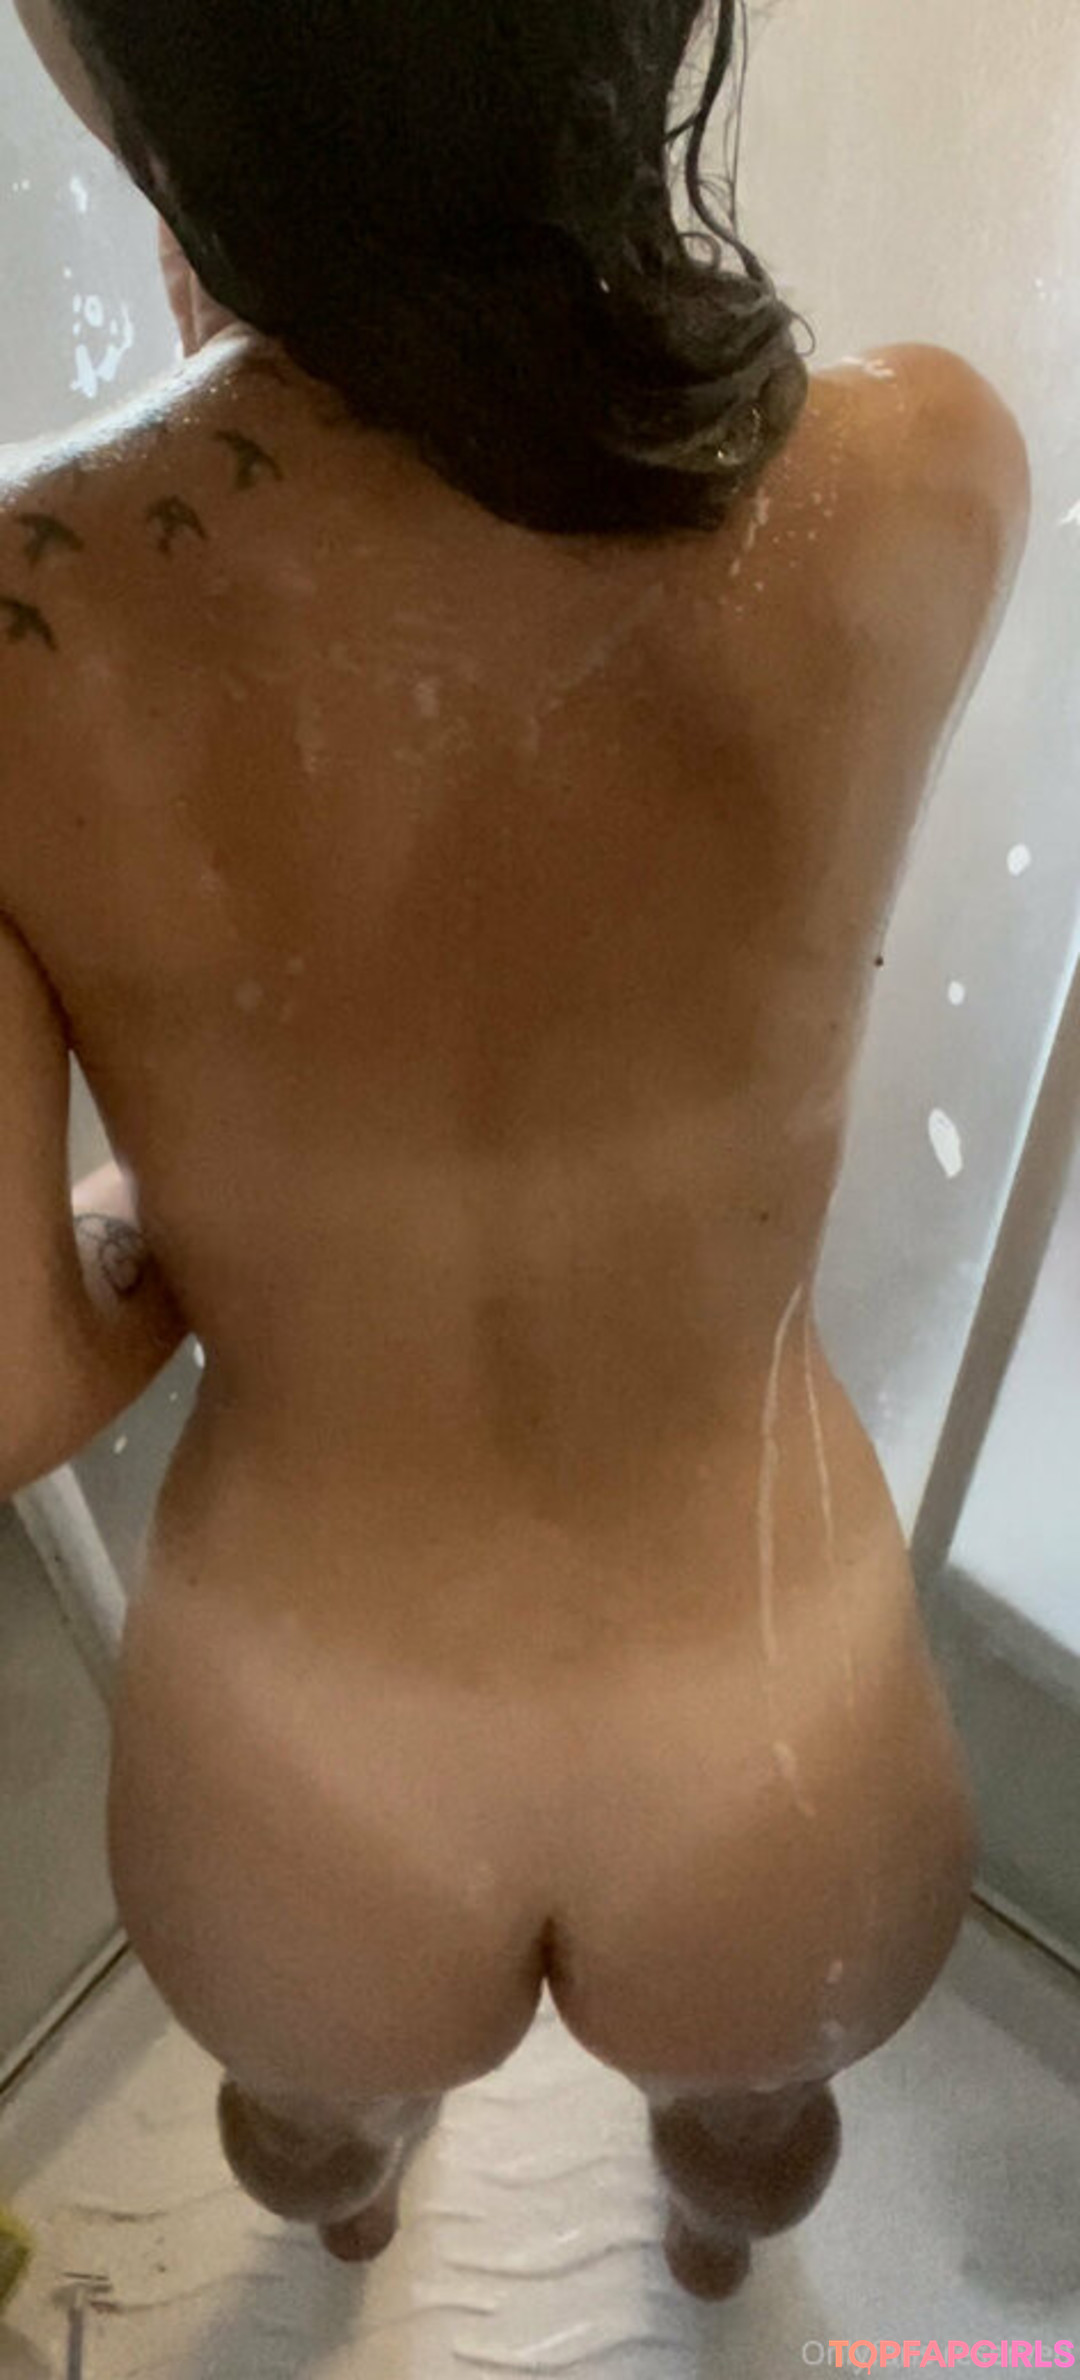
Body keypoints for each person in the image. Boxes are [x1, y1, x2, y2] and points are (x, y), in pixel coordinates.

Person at [2, 0, 1029, 2302]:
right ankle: (710, 2262)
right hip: (772, 1713)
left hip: (305, 1763)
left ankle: (354, 2219)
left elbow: (11, 1378)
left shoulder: (18, 622)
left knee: (306, 2124)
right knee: (758, 2119)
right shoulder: (924, 471)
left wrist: (185, 1222)